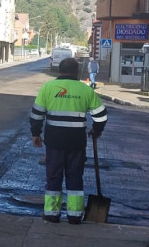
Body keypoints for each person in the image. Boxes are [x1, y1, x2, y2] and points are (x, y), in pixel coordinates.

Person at [29, 57, 108, 224]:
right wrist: (96, 131)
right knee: (75, 177)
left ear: (59, 70)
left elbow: (36, 114)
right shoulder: (86, 90)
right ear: (77, 72)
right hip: (76, 142)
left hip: (55, 142)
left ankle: (51, 214)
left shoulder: (48, 88)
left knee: (53, 176)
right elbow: (101, 116)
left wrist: (36, 134)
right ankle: (75, 215)